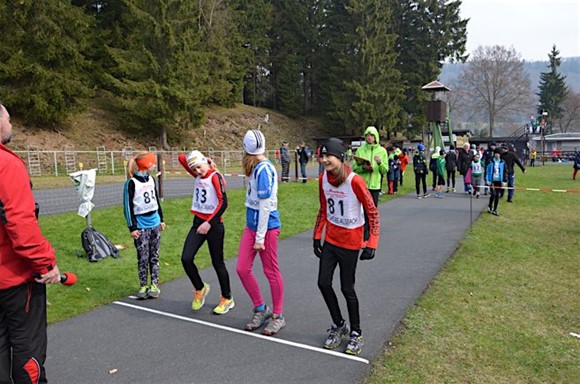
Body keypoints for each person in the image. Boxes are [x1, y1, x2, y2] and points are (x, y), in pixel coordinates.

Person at [0, 102, 62, 383]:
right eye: (8, 119)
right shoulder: (7, 164)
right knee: (28, 348)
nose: (11, 125)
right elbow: (21, 226)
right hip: (14, 278)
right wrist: (46, 263)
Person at [313, 138, 380, 356]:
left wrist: (372, 242)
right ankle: (339, 324)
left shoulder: (355, 181)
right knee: (323, 283)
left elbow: (372, 211)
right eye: (321, 156)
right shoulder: (323, 179)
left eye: (328, 156)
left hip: (351, 244)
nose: (324, 160)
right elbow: (323, 210)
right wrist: (317, 236)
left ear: (340, 157)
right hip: (331, 240)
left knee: (346, 288)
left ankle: (356, 333)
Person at [237, 130, 286, 336]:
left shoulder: (264, 170)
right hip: (252, 225)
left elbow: (266, 206)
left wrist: (260, 237)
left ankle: (278, 316)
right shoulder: (255, 167)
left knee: (270, 271)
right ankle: (260, 307)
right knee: (242, 268)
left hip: (266, 228)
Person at [178, 150, 234, 314]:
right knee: (186, 258)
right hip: (198, 223)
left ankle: (227, 297)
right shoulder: (197, 174)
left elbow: (224, 203)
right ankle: (200, 288)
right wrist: (197, 160)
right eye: (194, 169)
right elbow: (182, 158)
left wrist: (209, 223)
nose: (198, 171)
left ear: (205, 162)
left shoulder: (214, 176)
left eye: (199, 167)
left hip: (214, 225)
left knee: (218, 263)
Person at [123, 151, 166, 299]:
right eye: (152, 162)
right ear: (146, 164)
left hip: (154, 222)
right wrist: (132, 227)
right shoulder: (131, 183)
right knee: (143, 256)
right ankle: (143, 285)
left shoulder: (152, 180)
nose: (154, 165)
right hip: (141, 224)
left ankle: (154, 284)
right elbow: (127, 207)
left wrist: (161, 219)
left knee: (154, 255)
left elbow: (155, 201)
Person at [352, 126, 388, 207]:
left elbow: (385, 170)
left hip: (375, 186)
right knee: (361, 211)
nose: (369, 137)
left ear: (376, 137)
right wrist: (363, 168)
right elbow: (354, 168)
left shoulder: (382, 151)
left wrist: (379, 163)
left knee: (372, 211)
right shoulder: (360, 150)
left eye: (371, 135)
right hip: (361, 185)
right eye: (367, 135)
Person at [486, 148, 506, 216]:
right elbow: (487, 171)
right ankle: (489, 206)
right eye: (496, 153)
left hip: (499, 180)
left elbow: (505, 172)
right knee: (493, 194)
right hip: (492, 180)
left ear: (500, 155)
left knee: (497, 195)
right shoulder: (491, 161)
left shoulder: (502, 162)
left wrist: (504, 180)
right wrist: (487, 180)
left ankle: (495, 209)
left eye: (498, 154)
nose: (497, 155)